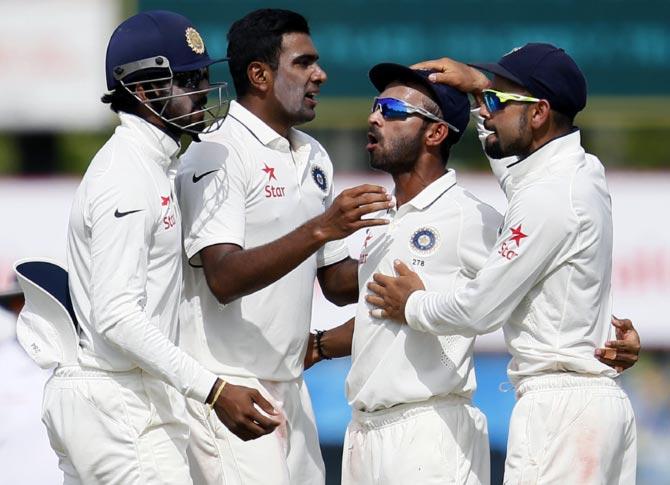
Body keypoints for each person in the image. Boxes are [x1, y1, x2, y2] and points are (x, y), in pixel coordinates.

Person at [366, 43, 637, 483]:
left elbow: (479, 309)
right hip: (594, 404)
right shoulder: (583, 171)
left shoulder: (550, 196)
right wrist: (481, 88)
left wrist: (412, 303)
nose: (486, 113)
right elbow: (517, 173)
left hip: (560, 411)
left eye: (496, 102)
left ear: (539, 113)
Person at [36, 11, 279, 484]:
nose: (205, 89)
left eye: (204, 75)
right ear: (144, 91)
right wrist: (213, 390)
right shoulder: (125, 176)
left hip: (118, 398)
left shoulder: (152, 164)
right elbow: (116, 315)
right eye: (189, 79)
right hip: (119, 403)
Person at [175, 9, 392, 485]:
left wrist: (409, 257)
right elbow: (223, 278)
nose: (321, 74)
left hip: (292, 387)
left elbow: (334, 284)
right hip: (229, 386)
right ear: (259, 74)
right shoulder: (216, 150)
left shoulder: (314, 154)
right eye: (304, 63)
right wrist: (321, 228)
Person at [306, 62, 497, 484]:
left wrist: (602, 338)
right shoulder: (386, 215)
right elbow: (377, 317)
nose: (374, 117)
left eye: (392, 110)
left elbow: (528, 279)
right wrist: (320, 346)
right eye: (376, 106)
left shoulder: (468, 215)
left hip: (430, 432)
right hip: (366, 431)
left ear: (435, 132)